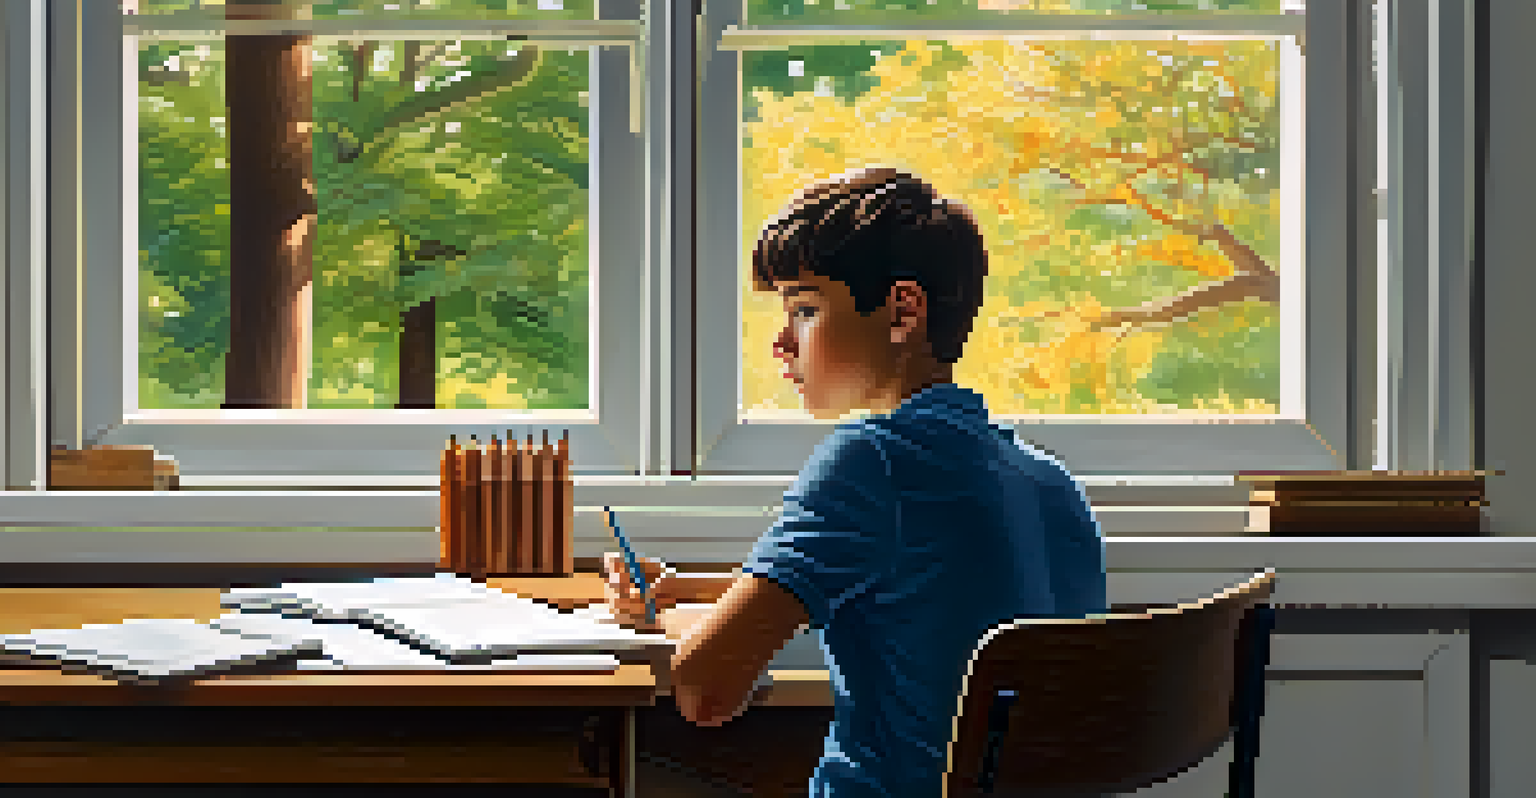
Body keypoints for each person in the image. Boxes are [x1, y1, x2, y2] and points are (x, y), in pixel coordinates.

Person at [602, 166, 1108, 797]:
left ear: (902, 311)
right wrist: (690, 595)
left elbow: (706, 693)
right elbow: (915, 593)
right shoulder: (1050, 484)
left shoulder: (873, 461)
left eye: (806, 309)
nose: (782, 343)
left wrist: (669, 626)